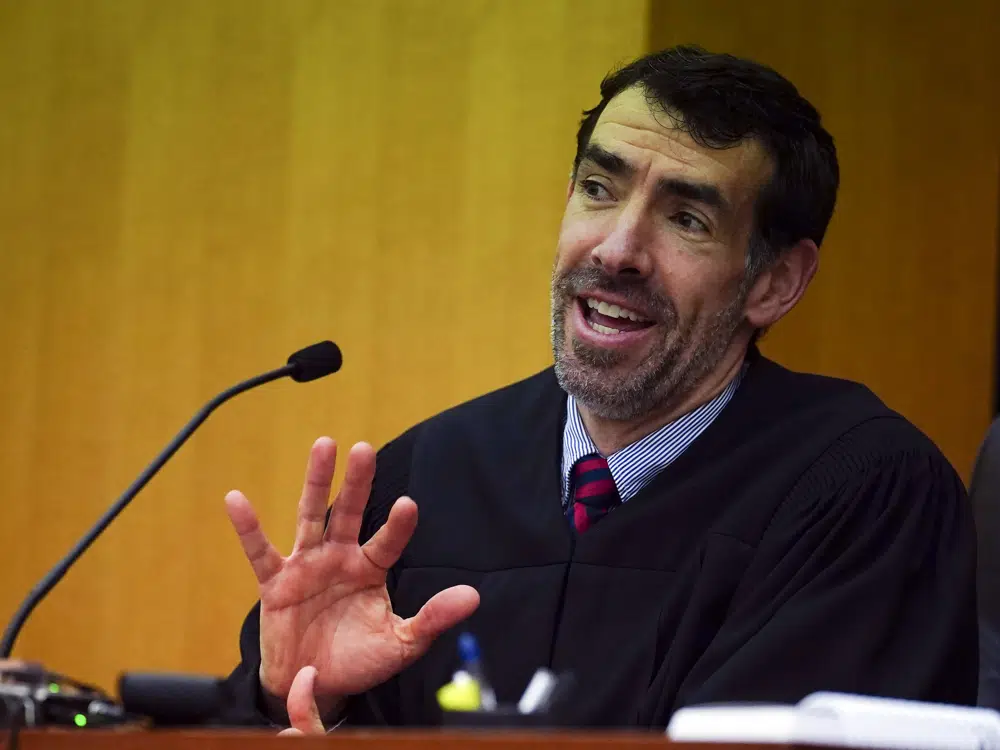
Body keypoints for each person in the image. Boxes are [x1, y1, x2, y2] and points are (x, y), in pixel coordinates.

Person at [218, 46, 977, 732]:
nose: (617, 250)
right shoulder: (427, 479)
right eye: (598, 188)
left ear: (774, 282)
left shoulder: (858, 494)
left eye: (686, 218)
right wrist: (295, 698)